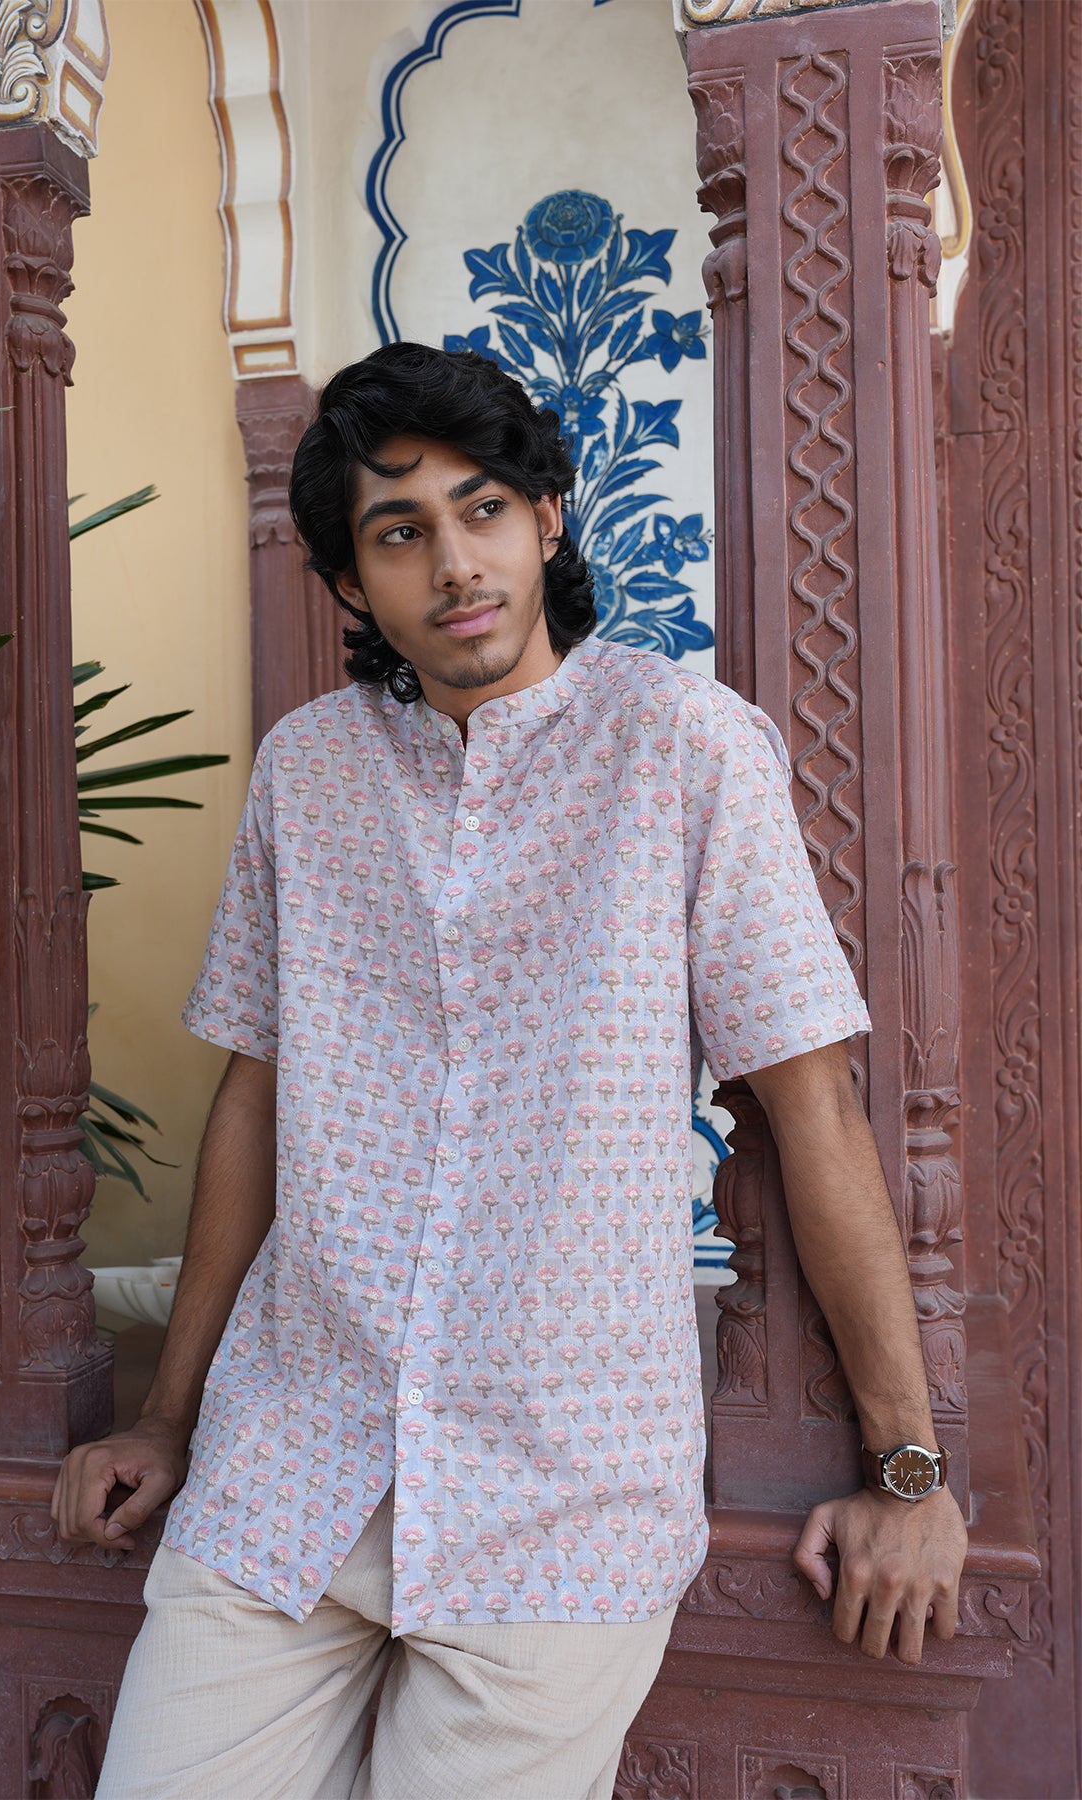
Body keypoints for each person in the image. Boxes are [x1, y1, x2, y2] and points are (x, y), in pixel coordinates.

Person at [54, 343, 968, 1800]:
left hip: (559, 1495)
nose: (454, 563)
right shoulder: (307, 771)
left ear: (547, 519)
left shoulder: (685, 748)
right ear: (350, 582)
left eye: (483, 510)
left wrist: (907, 1470)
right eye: (399, 532)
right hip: (288, 1465)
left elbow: (814, 1108)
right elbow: (255, 1098)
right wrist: (167, 1417)